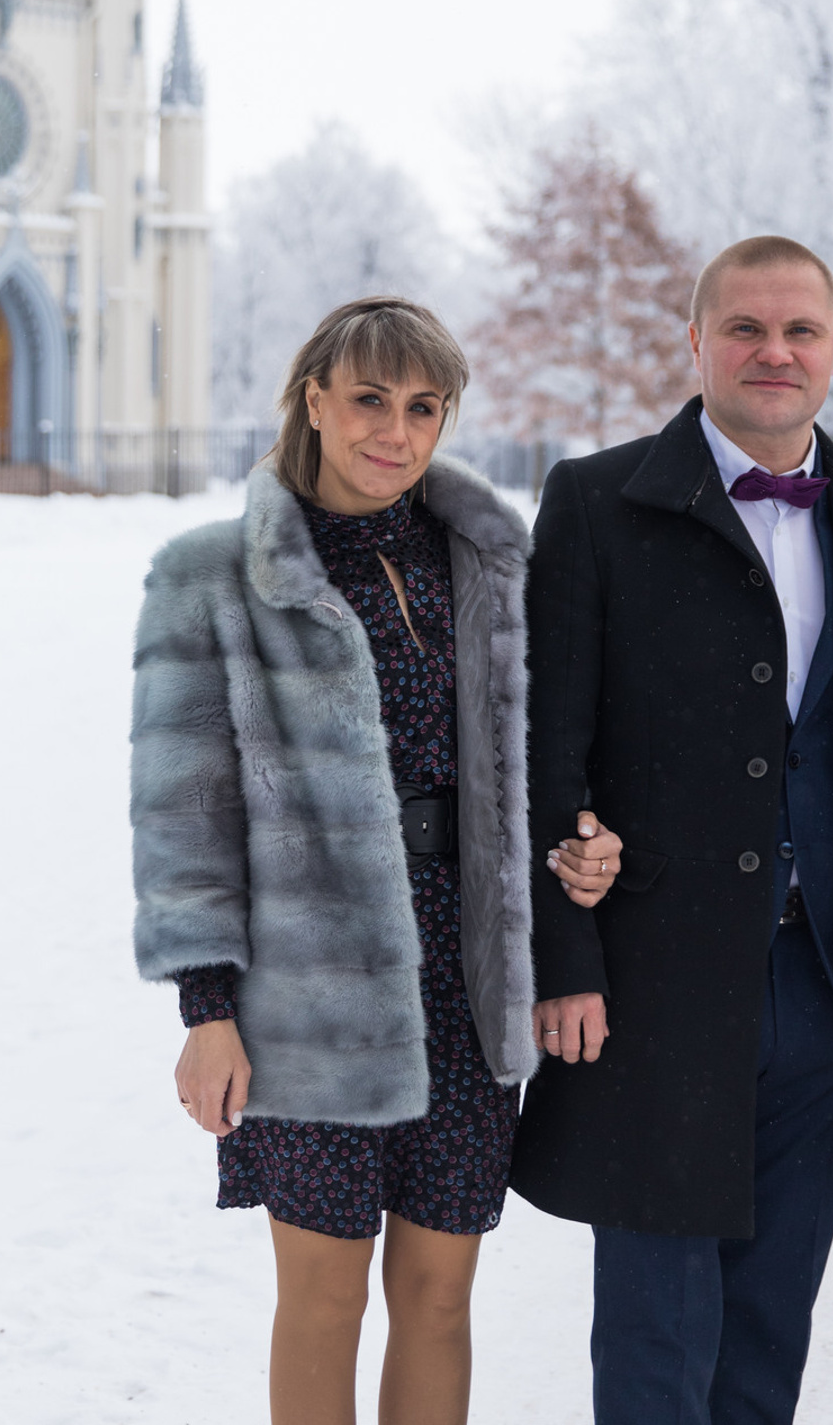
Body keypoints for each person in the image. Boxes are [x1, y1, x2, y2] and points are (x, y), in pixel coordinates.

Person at [510, 235, 833, 1425]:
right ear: (697, 342)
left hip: (831, 988)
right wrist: (563, 960)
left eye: (800, 331)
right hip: (654, 983)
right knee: (658, 1341)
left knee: (769, 1338)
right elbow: (547, 742)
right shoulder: (596, 501)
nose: (776, 353)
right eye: (747, 329)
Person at [128, 296, 623, 1425]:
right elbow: (185, 817)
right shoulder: (214, 578)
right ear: (314, 400)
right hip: (307, 989)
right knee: (325, 1297)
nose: (394, 432)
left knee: (441, 1297)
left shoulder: (489, 564)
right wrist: (207, 1010)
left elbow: (542, 752)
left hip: (464, 972)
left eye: (423, 407)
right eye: (368, 400)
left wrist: (584, 839)